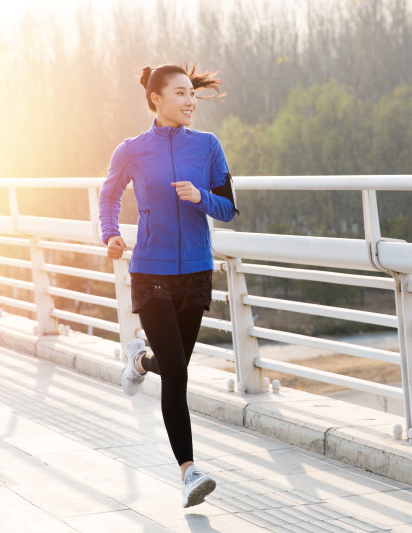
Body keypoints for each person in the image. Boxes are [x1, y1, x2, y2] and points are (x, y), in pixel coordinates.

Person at [98, 63, 237, 509]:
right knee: (177, 373)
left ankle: (139, 359)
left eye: (191, 93)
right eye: (180, 93)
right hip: (151, 272)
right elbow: (109, 195)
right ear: (156, 99)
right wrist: (110, 233)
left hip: (195, 272)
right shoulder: (132, 150)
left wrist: (201, 197)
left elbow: (231, 209)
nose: (190, 100)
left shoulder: (209, 147)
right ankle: (188, 472)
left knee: (170, 363)